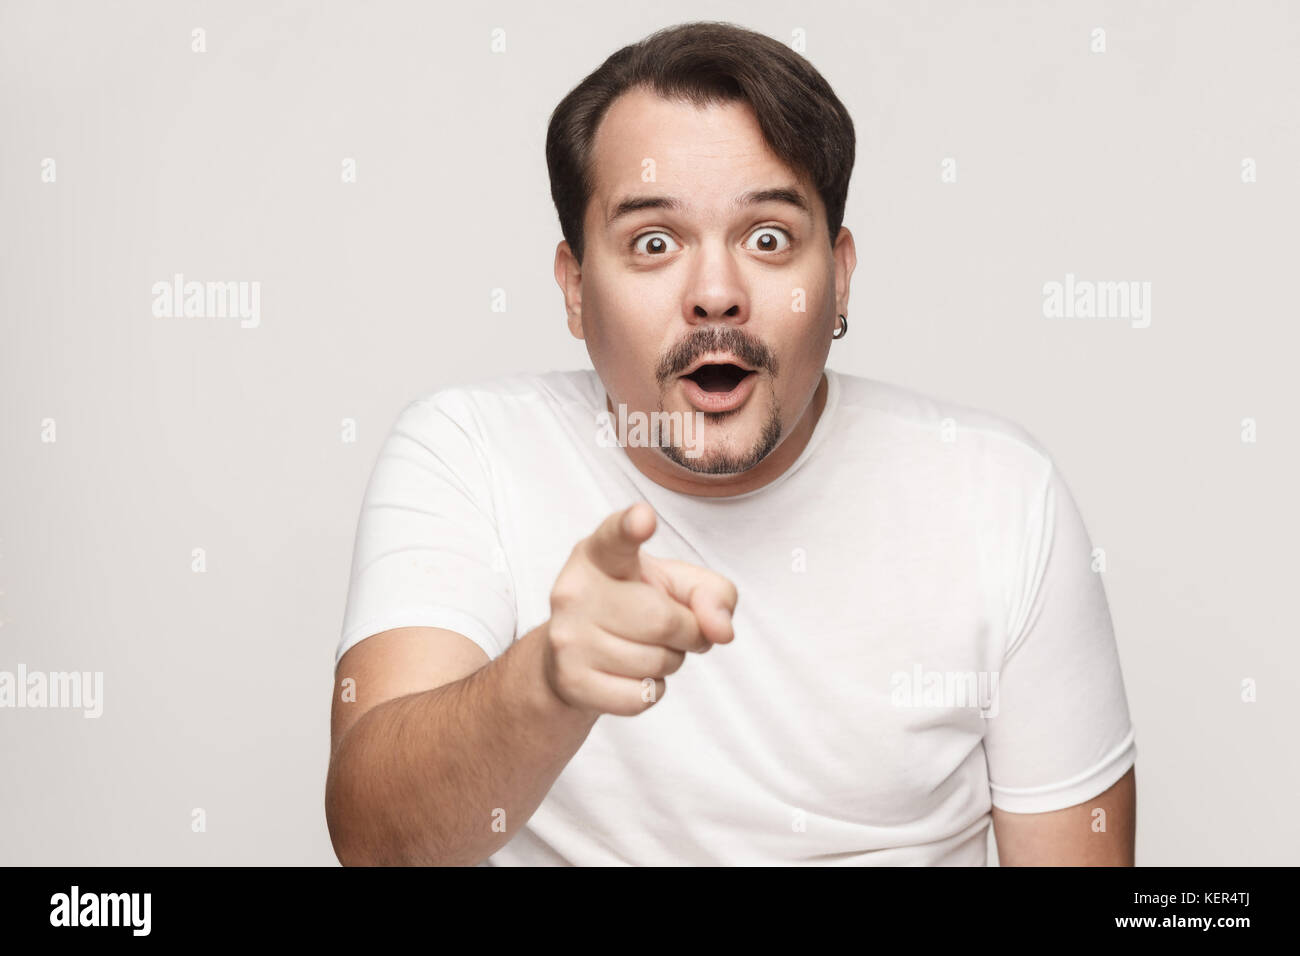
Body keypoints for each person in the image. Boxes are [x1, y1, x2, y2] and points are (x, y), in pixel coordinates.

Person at [324, 20, 1137, 866]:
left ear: (841, 275)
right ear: (573, 289)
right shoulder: (467, 452)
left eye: (768, 239)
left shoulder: (1003, 497)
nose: (716, 294)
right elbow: (375, 840)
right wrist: (546, 683)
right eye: (653, 243)